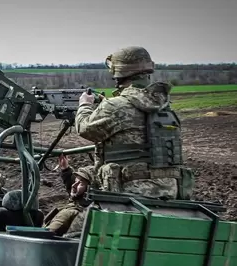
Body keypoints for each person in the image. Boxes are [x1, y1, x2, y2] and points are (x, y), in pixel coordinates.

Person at [74, 46, 194, 200]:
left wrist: (84, 105)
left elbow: (85, 128)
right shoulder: (163, 104)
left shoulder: (115, 106)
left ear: (118, 73)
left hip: (131, 193)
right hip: (170, 192)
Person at [44, 154, 95, 236]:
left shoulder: (70, 213)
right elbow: (72, 185)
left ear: (90, 189)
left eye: (80, 183)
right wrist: (66, 169)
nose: (73, 185)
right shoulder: (82, 203)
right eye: (75, 181)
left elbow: (46, 235)